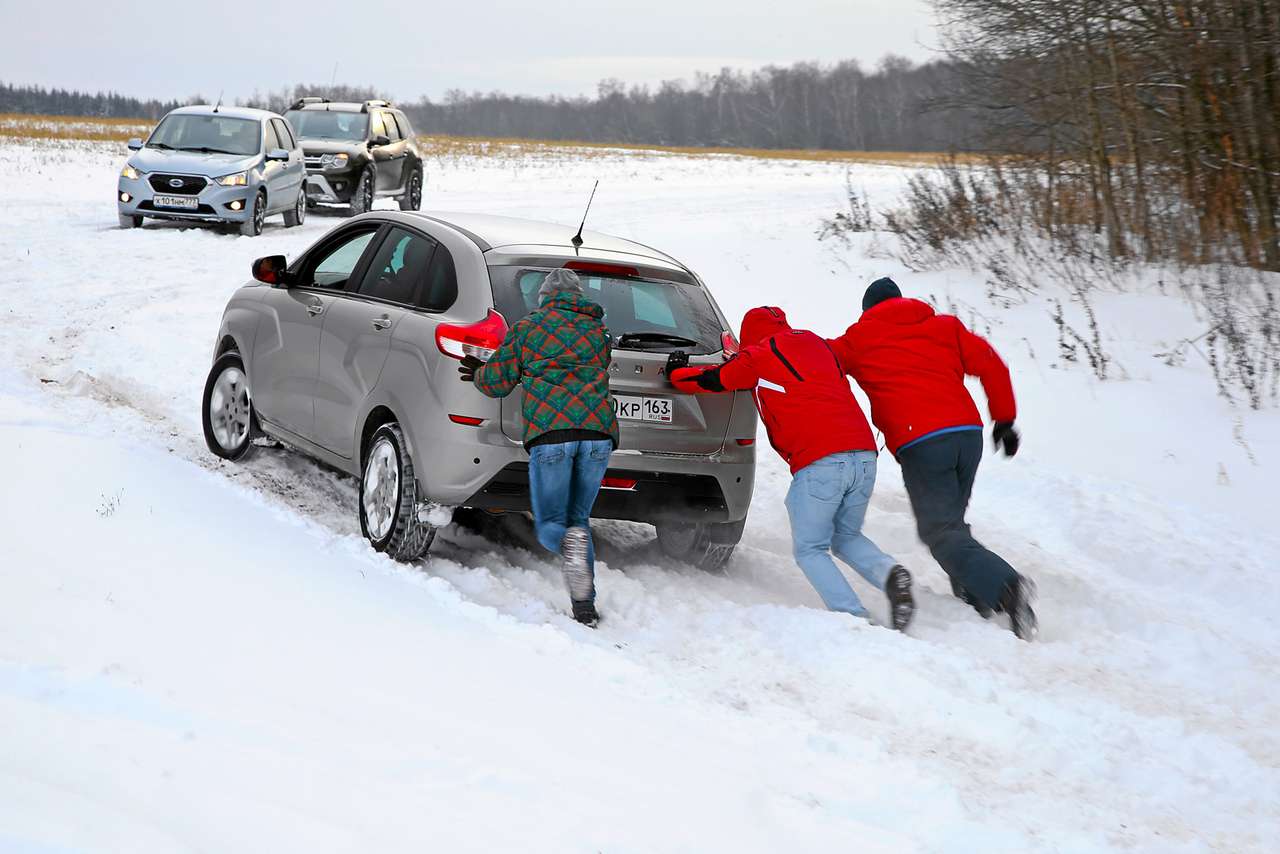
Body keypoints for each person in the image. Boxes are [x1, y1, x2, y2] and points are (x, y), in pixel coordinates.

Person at [668, 306, 915, 631]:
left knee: (810, 548)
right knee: (846, 535)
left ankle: (854, 618)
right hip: (865, 457)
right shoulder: (819, 344)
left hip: (822, 461)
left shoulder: (758, 355)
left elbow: (716, 380)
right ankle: (891, 574)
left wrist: (676, 373)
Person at [829, 277, 1037, 640]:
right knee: (951, 524)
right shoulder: (945, 327)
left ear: (867, 312)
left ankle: (1006, 586)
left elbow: (817, 360)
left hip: (923, 441)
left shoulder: (859, 340)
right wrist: (1003, 420)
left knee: (940, 531)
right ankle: (978, 597)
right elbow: (992, 366)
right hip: (966, 437)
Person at [460, 269, 618, 627]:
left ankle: (567, 546)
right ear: (578, 297)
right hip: (598, 436)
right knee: (579, 522)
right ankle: (584, 607)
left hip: (552, 436)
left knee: (552, 525)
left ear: (544, 297)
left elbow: (498, 383)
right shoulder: (599, 331)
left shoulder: (529, 328)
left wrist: (478, 372)